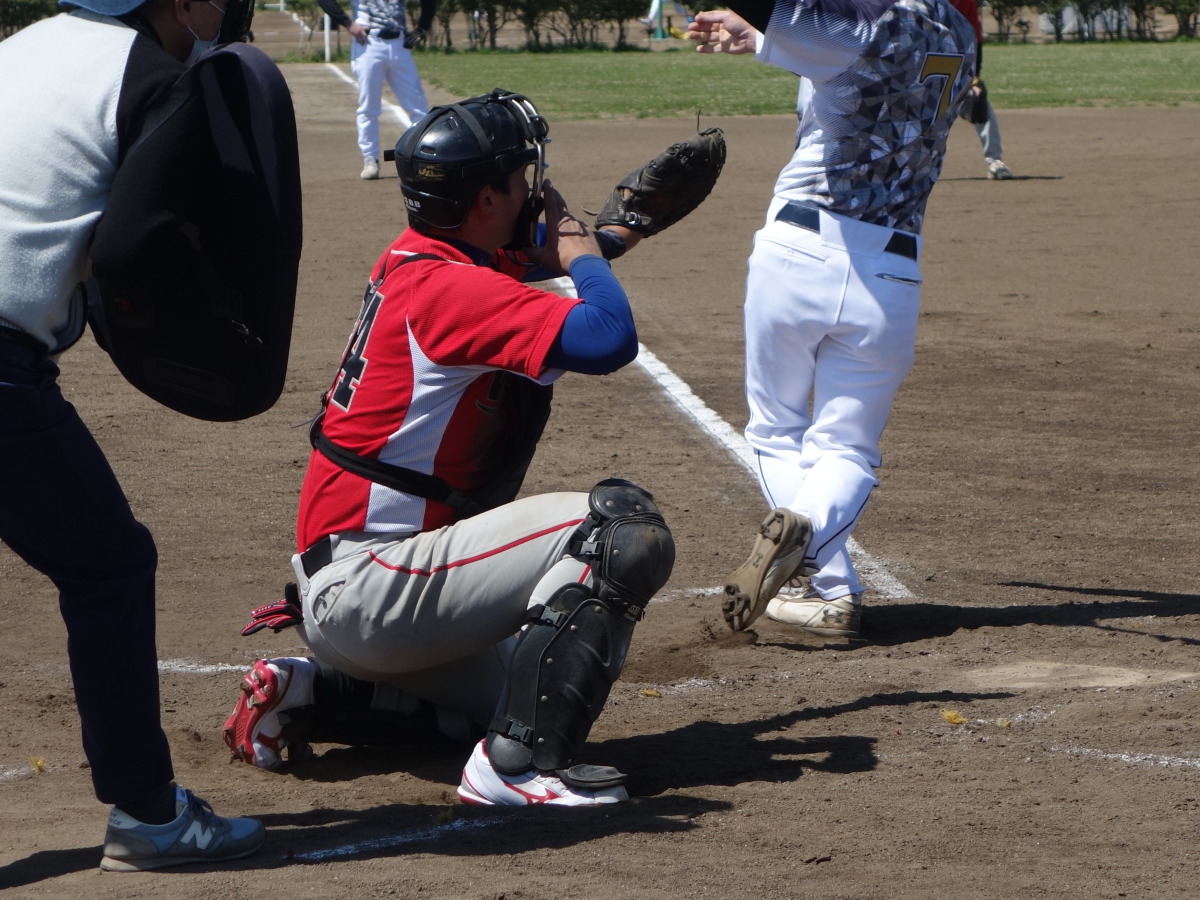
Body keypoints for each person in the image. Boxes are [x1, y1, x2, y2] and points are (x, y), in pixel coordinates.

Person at [223, 89, 679, 806]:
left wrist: (613, 237)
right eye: (521, 177)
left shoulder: (415, 257)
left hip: (360, 594)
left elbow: (520, 266)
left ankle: (314, 693)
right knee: (617, 533)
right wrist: (586, 254)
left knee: (526, 693)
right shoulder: (454, 290)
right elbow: (607, 336)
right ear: (487, 199)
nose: (534, 189)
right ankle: (515, 771)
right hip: (374, 588)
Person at [0, 0, 270, 872]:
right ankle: (150, 816)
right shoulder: (150, 77)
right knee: (108, 566)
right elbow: (133, 247)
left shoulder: (24, 45)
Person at [686, 0, 976, 639]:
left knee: (776, 429)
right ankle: (825, 575)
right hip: (893, 272)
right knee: (847, 446)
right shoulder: (960, 31)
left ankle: (819, 562)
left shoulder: (863, 22)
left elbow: (829, 34)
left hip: (800, 251)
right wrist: (762, 34)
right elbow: (840, 55)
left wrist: (764, 21)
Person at [317, 0, 436, 180]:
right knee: (369, 106)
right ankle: (370, 159)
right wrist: (348, 23)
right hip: (368, 42)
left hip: (400, 44)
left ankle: (425, 158)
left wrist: (422, 28)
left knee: (418, 107)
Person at [949, 0, 1014, 179]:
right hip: (925, 64)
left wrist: (974, 77)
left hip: (958, 61)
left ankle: (995, 160)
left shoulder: (965, 1)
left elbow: (974, 37)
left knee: (981, 104)